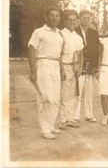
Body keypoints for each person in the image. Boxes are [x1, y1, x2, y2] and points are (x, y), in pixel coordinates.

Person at [28, 7, 65, 139]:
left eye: (57, 16)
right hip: (43, 65)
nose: (55, 18)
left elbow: (59, 55)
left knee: (55, 98)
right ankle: (44, 129)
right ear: (46, 17)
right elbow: (31, 52)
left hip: (55, 65)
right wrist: (33, 71)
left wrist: (62, 69)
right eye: (52, 15)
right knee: (45, 97)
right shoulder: (39, 32)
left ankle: (50, 125)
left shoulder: (59, 34)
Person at [59, 10, 84, 130]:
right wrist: (62, 70)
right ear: (64, 21)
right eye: (70, 20)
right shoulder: (60, 34)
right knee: (64, 94)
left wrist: (80, 68)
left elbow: (81, 54)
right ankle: (62, 120)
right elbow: (58, 54)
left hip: (75, 69)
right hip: (64, 67)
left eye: (74, 20)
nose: (72, 22)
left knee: (73, 95)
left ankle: (70, 119)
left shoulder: (78, 37)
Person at [75, 10, 100, 123]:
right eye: (84, 18)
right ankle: (75, 116)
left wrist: (96, 68)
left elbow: (97, 51)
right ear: (79, 19)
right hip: (80, 67)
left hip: (90, 68)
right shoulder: (74, 32)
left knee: (89, 93)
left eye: (88, 18)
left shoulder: (94, 33)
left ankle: (89, 115)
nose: (86, 20)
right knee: (78, 93)